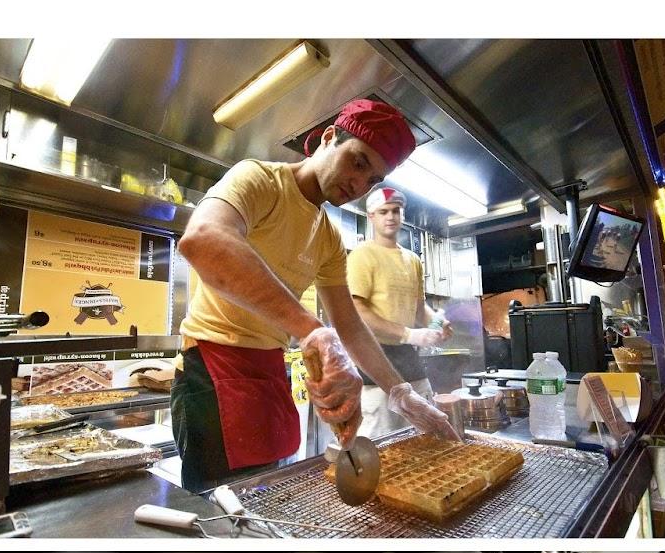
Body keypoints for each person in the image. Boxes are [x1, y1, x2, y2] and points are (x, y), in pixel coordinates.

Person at [171, 99, 457, 493]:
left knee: (263, 504)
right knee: (220, 513)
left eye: (372, 179)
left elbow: (350, 325)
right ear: (327, 138)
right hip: (212, 370)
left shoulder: (327, 237)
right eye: (357, 162)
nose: (359, 184)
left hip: (270, 373)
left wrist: (400, 392)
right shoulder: (259, 180)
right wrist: (314, 331)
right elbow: (203, 241)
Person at [347, 186, 450, 440]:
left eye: (395, 211)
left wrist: (437, 322)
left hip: (410, 362)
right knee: (380, 443)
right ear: (371, 216)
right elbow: (357, 311)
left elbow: (418, 307)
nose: (390, 217)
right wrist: (409, 334)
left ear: (402, 215)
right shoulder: (362, 255)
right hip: (374, 362)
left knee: (424, 435)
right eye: (383, 212)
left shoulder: (413, 260)